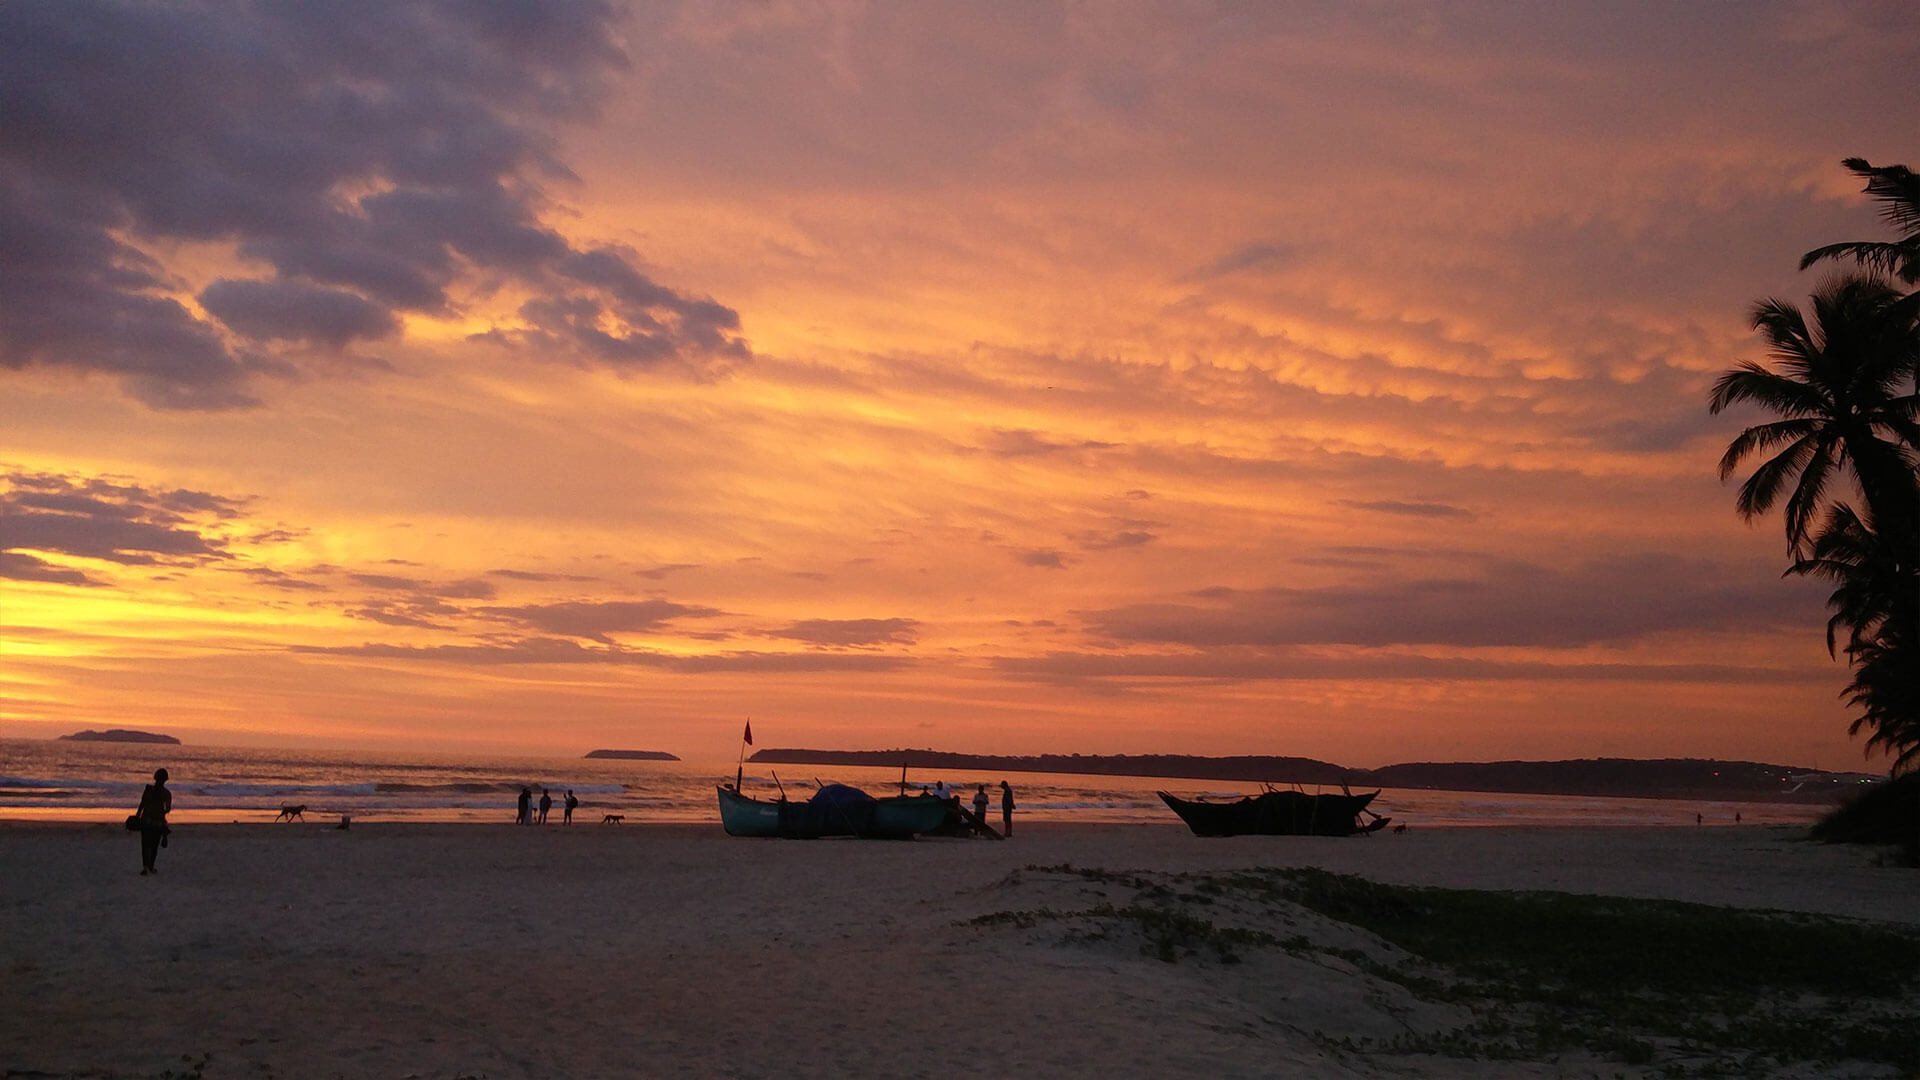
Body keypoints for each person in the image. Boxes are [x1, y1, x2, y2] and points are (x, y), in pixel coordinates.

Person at [135, 768, 172, 875]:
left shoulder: (148, 789)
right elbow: (168, 809)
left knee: (145, 844)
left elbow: (142, 804)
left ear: (155, 778)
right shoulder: (166, 793)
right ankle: (151, 866)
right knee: (154, 845)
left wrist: (138, 816)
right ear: (165, 780)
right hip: (158, 821)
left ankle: (145, 867)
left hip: (146, 819)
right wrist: (161, 811)